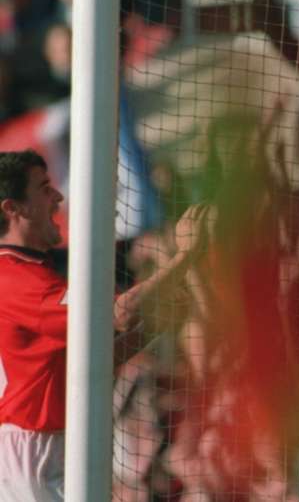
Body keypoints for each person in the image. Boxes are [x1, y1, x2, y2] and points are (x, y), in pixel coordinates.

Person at [0, 150, 207, 501]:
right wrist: (185, 256)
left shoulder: (29, 273)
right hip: (33, 452)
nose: (58, 197)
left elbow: (89, 361)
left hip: (51, 442)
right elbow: (115, 314)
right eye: (44, 187)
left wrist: (153, 327)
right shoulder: (12, 278)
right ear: (13, 208)